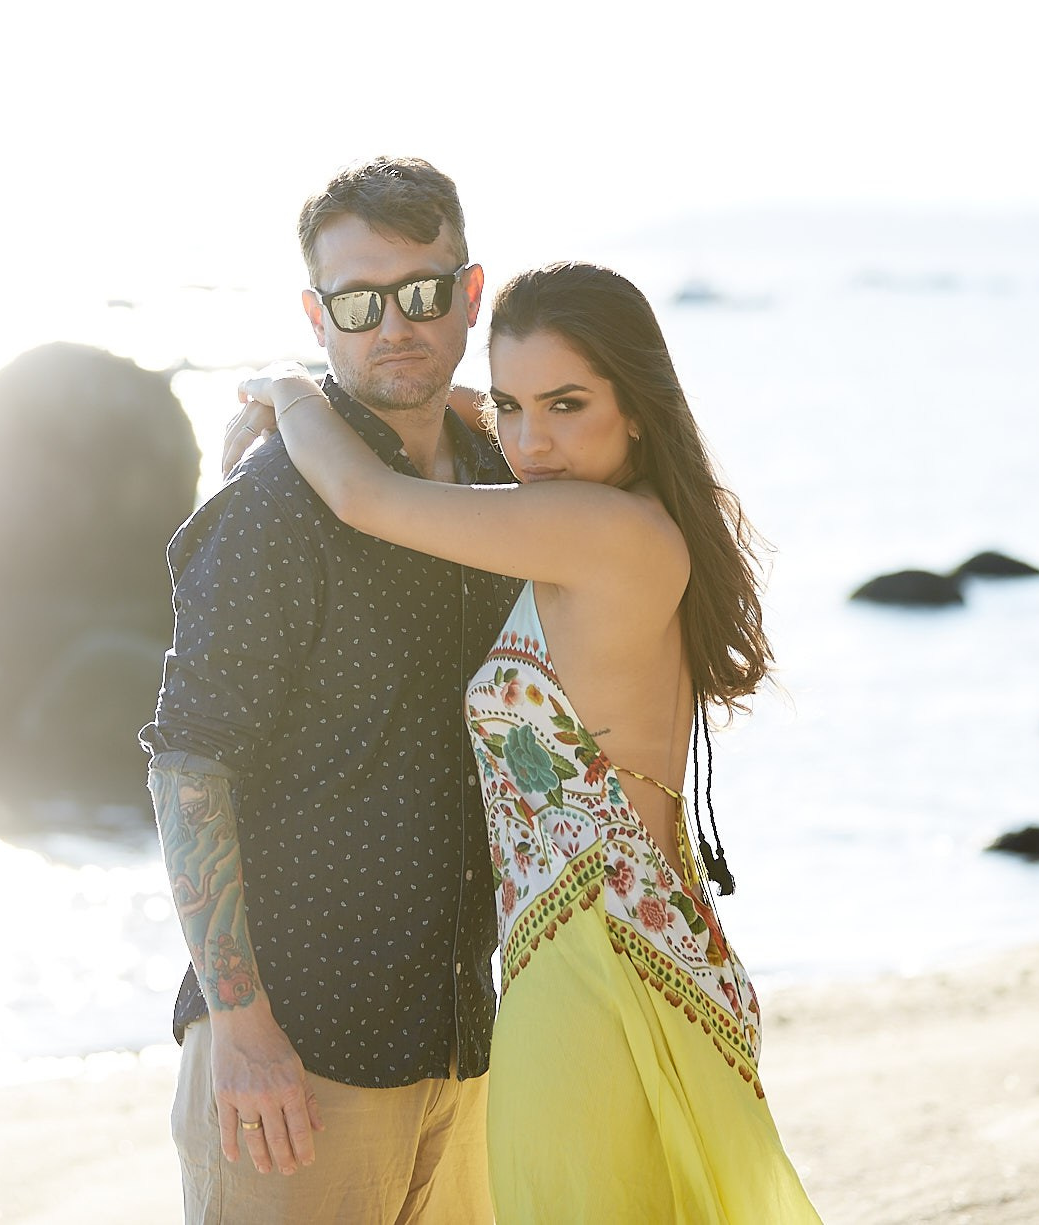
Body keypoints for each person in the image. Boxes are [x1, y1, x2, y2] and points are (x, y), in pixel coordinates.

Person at [238, 262, 822, 1223]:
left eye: (566, 403)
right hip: (626, 956)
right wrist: (471, 401)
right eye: (513, 405)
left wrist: (287, 388)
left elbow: (363, 497)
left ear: (638, 409)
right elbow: (472, 423)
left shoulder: (593, 526)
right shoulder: (624, 517)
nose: (530, 439)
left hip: (594, 974)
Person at [141, 156, 522, 1223]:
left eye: (422, 291)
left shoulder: (506, 483)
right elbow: (187, 771)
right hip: (297, 1057)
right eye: (358, 301)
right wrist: (244, 1031)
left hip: (461, 1037)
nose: (392, 324)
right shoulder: (271, 509)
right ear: (318, 314)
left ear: (470, 293)